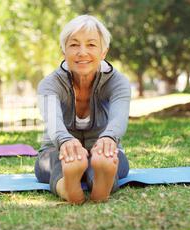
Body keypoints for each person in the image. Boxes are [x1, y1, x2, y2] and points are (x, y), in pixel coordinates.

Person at [35, 15, 131, 204]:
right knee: (57, 161)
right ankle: (68, 186)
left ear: (104, 52)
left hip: (103, 147)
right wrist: (65, 141)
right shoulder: (49, 84)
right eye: (74, 45)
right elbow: (52, 120)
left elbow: (119, 118)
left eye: (91, 45)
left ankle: (101, 183)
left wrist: (108, 138)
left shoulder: (118, 82)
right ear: (63, 51)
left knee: (111, 159)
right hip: (57, 149)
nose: (82, 52)